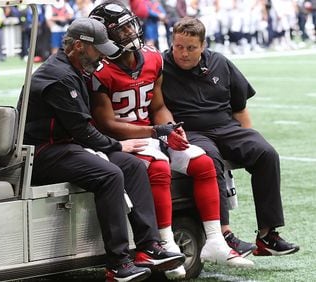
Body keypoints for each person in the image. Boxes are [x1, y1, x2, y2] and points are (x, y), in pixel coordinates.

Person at [88, 3, 253, 279]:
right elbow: (106, 124)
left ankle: (214, 240)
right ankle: (166, 243)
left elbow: (159, 107)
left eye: (131, 24)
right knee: (160, 167)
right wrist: (155, 132)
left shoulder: (152, 58)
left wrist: (171, 128)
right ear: (104, 36)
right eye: (121, 29)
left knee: (201, 161)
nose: (131, 32)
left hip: (150, 133)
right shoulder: (99, 70)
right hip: (123, 140)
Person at [19, 17, 185, 282]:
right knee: (110, 174)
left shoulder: (71, 70)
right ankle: (118, 263)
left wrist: (119, 148)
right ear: (78, 46)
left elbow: (85, 133)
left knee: (131, 164)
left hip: (66, 146)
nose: (101, 59)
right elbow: (84, 132)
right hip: (44, 152)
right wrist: (118, 145)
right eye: (98, 50)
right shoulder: (60, 78)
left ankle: (148, 246)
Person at [161, 17, 300, 257]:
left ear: (203, 46)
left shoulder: (220, 62)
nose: (183, 53)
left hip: (226, 127)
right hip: (190, 130)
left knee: (266, 153)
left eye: (191, 48)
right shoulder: (161, 67)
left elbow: (240, 107)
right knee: (209, 158)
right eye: (178, 46)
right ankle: (224, 234)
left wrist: (250, 139)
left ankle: (267, 235)